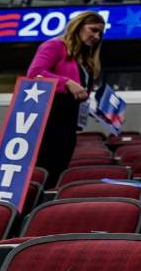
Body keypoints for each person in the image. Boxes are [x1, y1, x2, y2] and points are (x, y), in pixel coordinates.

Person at [27, 12, 105, 189]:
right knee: (43, 173)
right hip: (48, 120)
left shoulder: (85, 59)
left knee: (57, 172)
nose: (96, 36)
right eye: (93, 30)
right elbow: (34, 74)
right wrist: (67, 83)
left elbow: (81, 93)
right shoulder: (55, 45)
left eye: (100, 33)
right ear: (78, 26)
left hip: (69, 123)